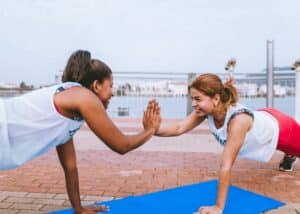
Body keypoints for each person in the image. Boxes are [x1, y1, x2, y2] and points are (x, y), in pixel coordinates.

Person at [0, 50, 161, 214]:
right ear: (96, 85)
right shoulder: (84, 97)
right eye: (110, 86)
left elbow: (70, 167)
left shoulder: (69, 112)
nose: (113, 92)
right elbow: (121, 145)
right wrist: (150, 130)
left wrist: (79, 209)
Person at [155, 73, 300, 214]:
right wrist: (152, 130)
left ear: (216, 98)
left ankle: (290, 154)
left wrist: (218, 207)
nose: (193, 104)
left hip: (282, 130)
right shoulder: (205, 111)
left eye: (198, 99)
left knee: (295, 149)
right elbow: (179, 127)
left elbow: (226, 165)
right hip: (263, 116)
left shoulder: (238, 121)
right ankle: (290, 155)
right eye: (192, 99)